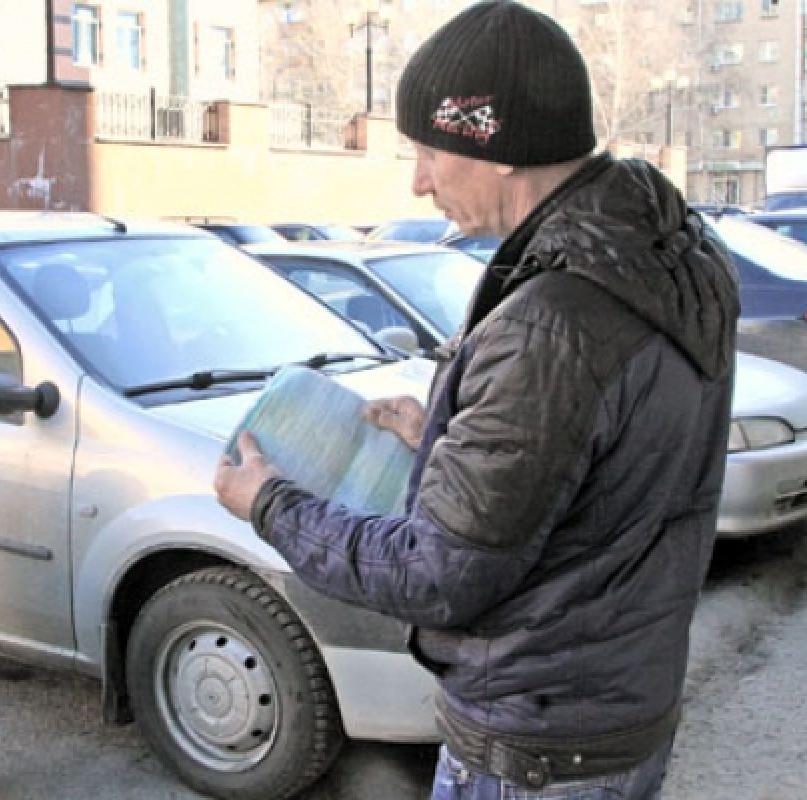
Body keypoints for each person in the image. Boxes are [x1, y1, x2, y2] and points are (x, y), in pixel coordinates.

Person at [214, 3, 739, 799]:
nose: (419, 181)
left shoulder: (554, 323)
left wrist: (270, 504)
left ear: (495, 149)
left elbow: (438, 575)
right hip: (615, 706)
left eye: (428, 151)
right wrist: (447, 437)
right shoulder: (669, 258)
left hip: (534, 744)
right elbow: (610, 459)